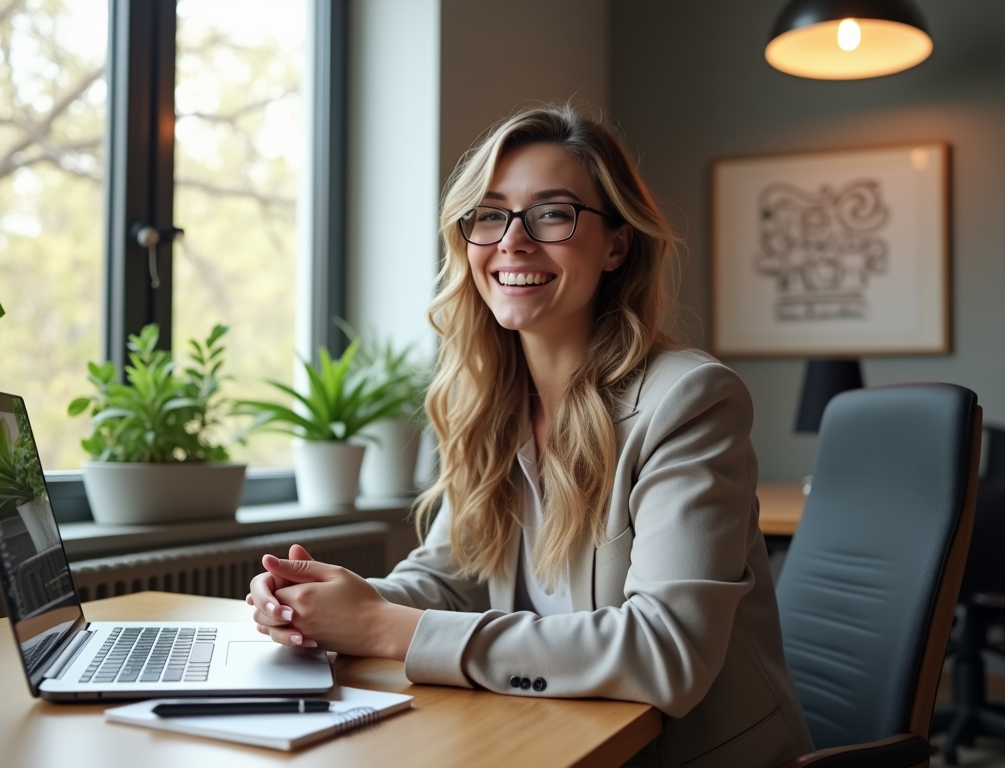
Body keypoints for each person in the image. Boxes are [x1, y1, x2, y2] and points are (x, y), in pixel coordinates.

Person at [247, 104, 813, 768]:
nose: (512, 241)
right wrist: (335, 603)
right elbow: (449, 576)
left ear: (615, 245)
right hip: (555, 735)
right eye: (490, 214)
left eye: (552, 213)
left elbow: (667, 654)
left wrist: (380, 628)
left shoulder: (687, 400)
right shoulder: (485, 400)